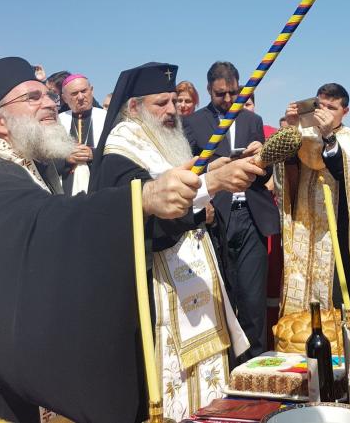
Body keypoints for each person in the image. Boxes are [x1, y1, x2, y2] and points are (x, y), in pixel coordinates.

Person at [0, 57, 205, 423]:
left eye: (48, 96)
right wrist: (141, 198)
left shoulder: (27, 166)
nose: (50, 103)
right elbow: (48, 221)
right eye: (33, 97)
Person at [89, 62, 265, 421]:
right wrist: (214, 184)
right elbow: (146, 216)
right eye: (161, 103)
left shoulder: (160, 138)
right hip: (157, 296)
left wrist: (217, 169)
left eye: (173, 101)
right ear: (134, 107)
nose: (172, 110)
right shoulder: (121, 151)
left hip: (192, 284)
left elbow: (184, 179)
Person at [183, 61, 274, 361]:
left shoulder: (253, 120)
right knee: (222, 298)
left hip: (251, 217)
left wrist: (262, 157)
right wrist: (212, 172)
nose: (227, 99)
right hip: (216, 218)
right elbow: (190, 170)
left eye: (233, 93)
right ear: (209, 90)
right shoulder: (193, 123)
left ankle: (256, 366)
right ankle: (228, 367)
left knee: (252, 299)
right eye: (220, 94)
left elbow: (264, 175)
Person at [276, 82, 350, 310]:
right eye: (320, 106)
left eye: (332, 108)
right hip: (310, 228)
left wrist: (328, 136)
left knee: (348, 293)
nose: (323, 112)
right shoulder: (303, 135)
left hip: (347, 228)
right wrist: (291, 128)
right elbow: (286, 173)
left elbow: (347, 174)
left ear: (345, 111)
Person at [56, 73, 105, 195]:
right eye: (74, 94)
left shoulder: (107, 117)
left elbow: (119, 153)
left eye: (84, 91)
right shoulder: (56, 121)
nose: (81, 97)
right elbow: (46, 160)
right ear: (64, 98)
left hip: (100, 186)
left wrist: (94, 154)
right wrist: (65, 159)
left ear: (91, 90)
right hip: (65, 190)